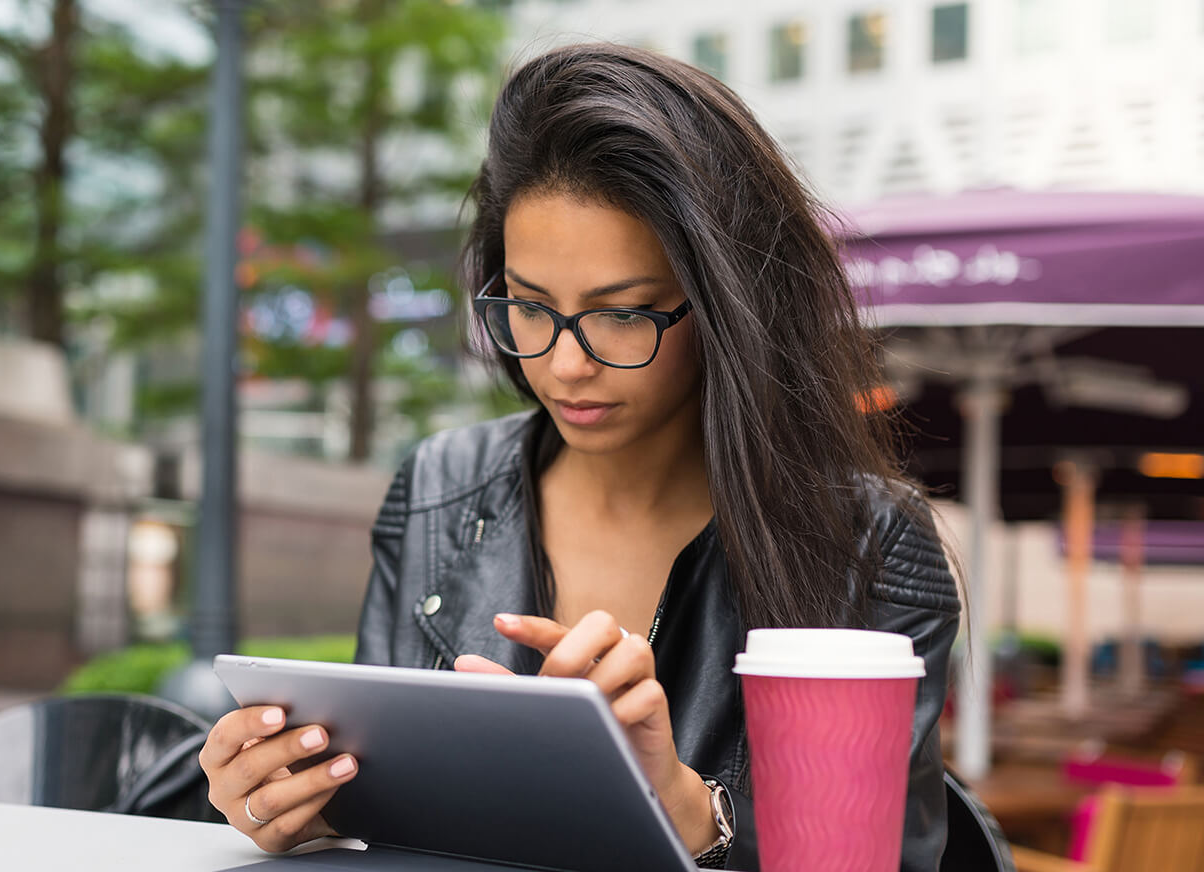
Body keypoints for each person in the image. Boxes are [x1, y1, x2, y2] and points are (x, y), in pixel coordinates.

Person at [199, 42, 960, 871]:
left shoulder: (870, 545)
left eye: (622, 314)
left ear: (726, 311)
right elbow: (383, 815)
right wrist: (298, 806)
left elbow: (889, 860)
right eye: (528, 307)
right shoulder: (438, 491)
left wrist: (685, 805)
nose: (565, 363)